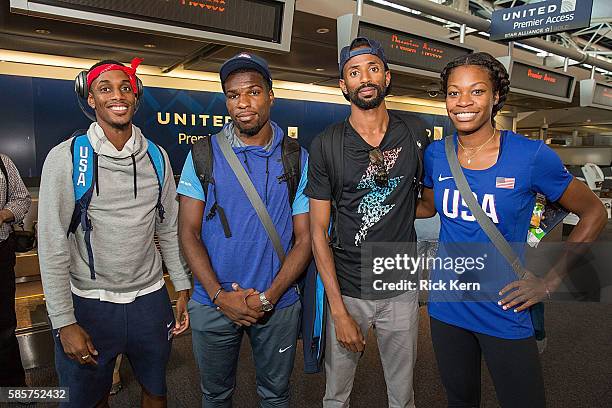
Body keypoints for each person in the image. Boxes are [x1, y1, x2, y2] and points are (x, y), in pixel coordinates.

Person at [416, 52, 608, 407]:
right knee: (459, 399)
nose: (463, 103)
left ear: (495, 97)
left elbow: (594, 213)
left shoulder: (531, 156)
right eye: (453, 93)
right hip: (446, 306)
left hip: (504, 305)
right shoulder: (436, 154)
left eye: (476, 92)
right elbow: (427, 206)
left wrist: (549, 283)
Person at [38, 58, 191, 408]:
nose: (117, 95)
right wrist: (64, 322)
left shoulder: (157, 157)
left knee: (156, 389)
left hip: (150, 301)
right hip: (91, 303)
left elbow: (167, 225)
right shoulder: (66, 158)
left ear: (135, 98)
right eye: (105, 88)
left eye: (125, 88)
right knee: (89, 398)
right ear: (91, 99)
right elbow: (51, 243)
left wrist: (181, 285)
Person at [177, 53, 311, 408]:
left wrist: (268, 297)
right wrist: (220, 296)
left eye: (253, 92)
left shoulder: (296, 157)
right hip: (212, 301)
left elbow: (306, 239)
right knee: (215, 395)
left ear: (270, 96)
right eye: (234, 95)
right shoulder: (203, 153)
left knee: (275, 395)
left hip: (278, 302)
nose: (243, 104)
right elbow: (188, 232)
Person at [306, 37, 429, 408]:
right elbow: (317, 232)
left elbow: (428, 204)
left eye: (373, 68)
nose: (365, 78)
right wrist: (338, 311)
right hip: (349, 288)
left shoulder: (415, 134)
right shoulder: (327, 144)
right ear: (344, 86)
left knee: (402, 394)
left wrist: (393, 211)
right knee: (336, 395)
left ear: (387, 77)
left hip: (401, 285)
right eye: (354, 72)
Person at [0, 153, 31, 387]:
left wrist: (2, 215)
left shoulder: (3, 162)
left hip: (0, 250)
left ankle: (14, 388)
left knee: (5, 325)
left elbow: (22, 199)